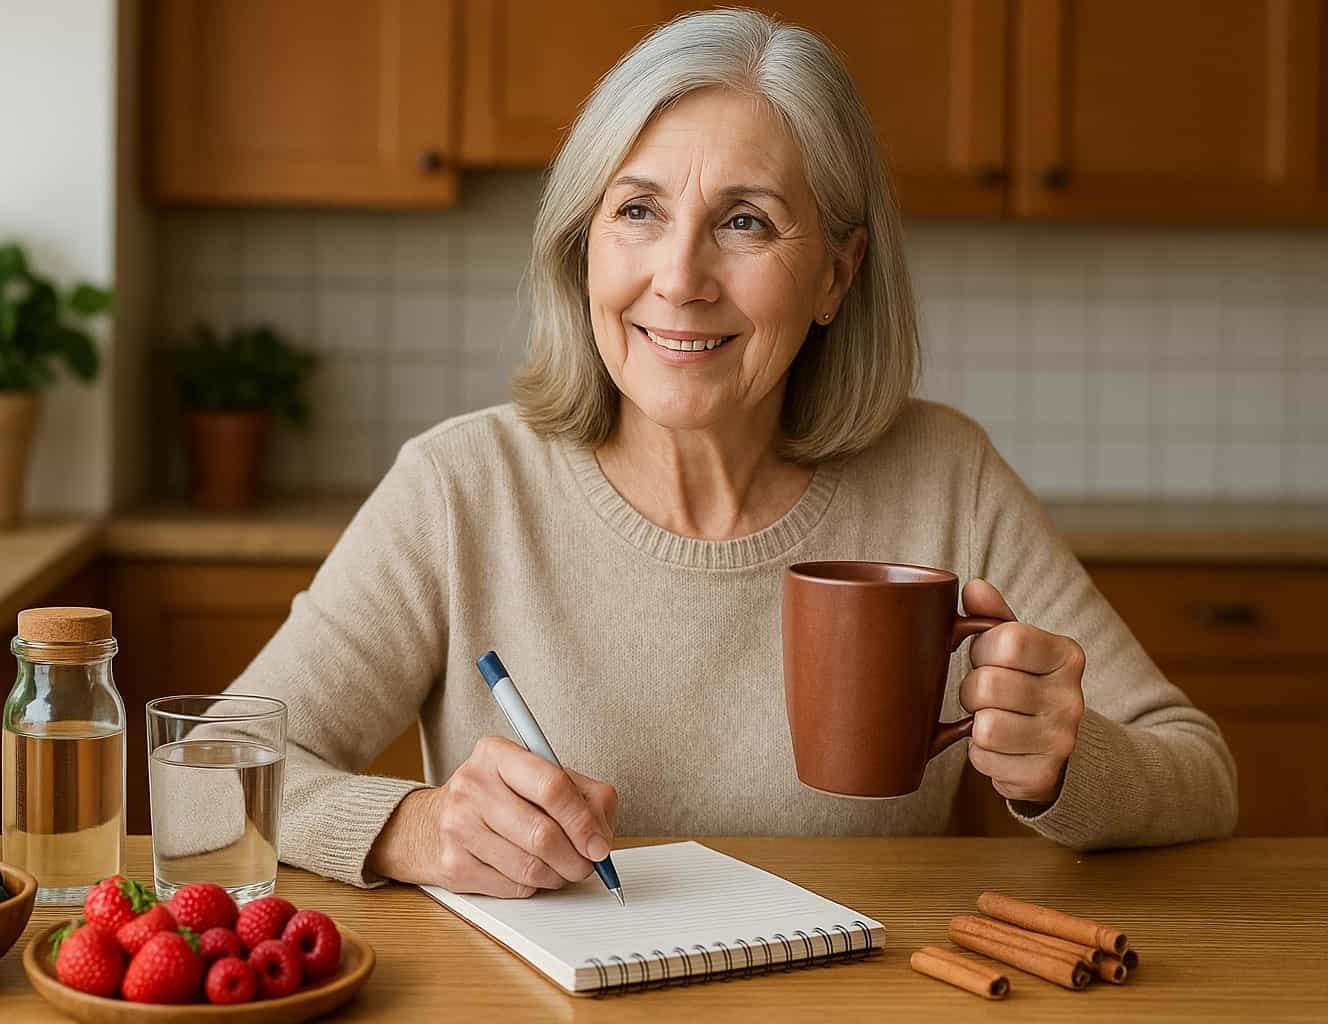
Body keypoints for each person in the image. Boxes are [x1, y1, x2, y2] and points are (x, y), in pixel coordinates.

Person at [226, 8, 1237, 896]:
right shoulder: (461, 489)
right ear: (584, 245)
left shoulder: (943, 477)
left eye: (745, 221)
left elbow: (1200, 770)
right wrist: (414, 829)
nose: (680, 277)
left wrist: (1065, 763)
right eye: (638, 211)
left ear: (838, 274)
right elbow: (217, 765)